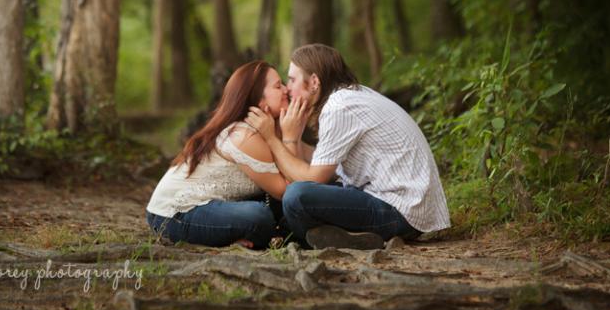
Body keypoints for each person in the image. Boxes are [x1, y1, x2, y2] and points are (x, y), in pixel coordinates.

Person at [246, 44, 450, 249]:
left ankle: (345, 239)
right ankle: (350, 238)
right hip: (398, 204)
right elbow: (320, 162)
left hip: (401, 210)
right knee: (288, 211)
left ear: (314, 81)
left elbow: (311, 179)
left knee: (296, 197)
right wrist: (294, 137)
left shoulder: (339, 107)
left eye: (292, 79)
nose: (287, 88)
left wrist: (273, 139)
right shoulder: (348, 97)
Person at [146, 61, 292, 249]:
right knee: (258, 216)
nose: (287, 89)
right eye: (278, 86)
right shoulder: (244, 135)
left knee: (269, 209)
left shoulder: (264, 131)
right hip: (173, 215)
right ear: (259, 100)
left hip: (206, 207)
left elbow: (303, 172)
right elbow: (285, 192)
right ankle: (223, 237)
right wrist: (292, 136)